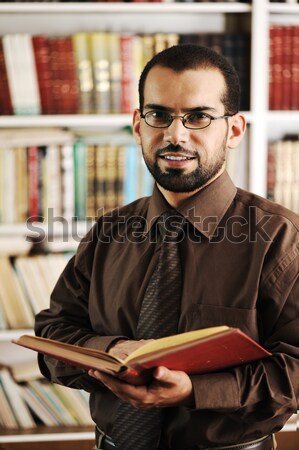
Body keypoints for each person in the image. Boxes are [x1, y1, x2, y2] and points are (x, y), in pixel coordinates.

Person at [35, 44, 299, 450]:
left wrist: (195, 389)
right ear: (139, 126)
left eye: (198, 117)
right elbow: (53, 335)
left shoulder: (283, 240)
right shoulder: (108, 233)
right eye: (159, 115)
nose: (176, 135)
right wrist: (112, 351)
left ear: (233, 131)